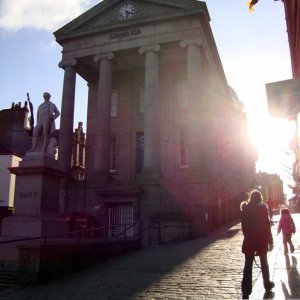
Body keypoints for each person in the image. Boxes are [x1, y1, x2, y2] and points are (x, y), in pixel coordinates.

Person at [240, 190, 275, 299]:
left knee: (248, 265)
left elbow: (243, 228)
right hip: (261, 240)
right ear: (260, 198)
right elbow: (266, 226)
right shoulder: (263, 209)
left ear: (250, 198)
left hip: (249, 240)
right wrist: (270, 241)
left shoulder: (245, 209)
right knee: (264, 262)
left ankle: (246, 291)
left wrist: (249, 237)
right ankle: (267, 285)